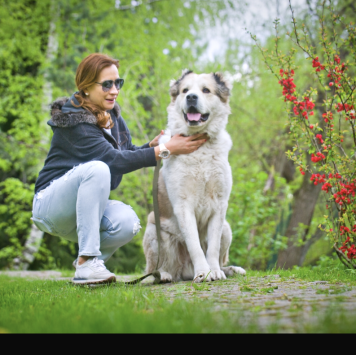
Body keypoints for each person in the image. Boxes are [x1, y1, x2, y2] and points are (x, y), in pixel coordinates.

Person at [32, 53, 207, 284]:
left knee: (128, 222)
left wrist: (151, 146)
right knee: (98, 169)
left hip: (83, 211)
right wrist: (167, 150)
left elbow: (125, 152)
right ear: (85, 87)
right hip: (51, 205)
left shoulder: (112, 114)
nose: (115, 90)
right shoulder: (73, 121)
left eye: (118, 83)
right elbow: (112, 161)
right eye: (107, 84)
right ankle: (89, 259)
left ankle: (85, 267)